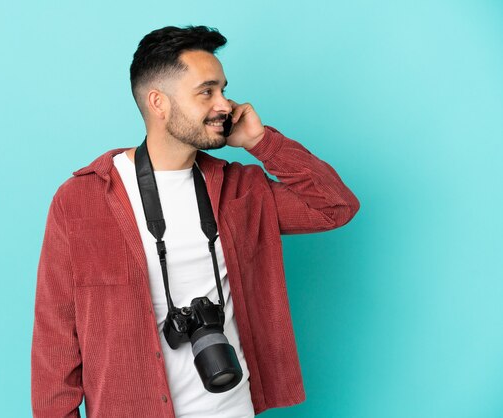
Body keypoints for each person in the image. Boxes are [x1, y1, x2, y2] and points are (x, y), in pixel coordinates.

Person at [31, 25, 360, 418]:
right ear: (159, 102)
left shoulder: (243, 191)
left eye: (223, 89)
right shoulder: (82, 200)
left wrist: (262, 143)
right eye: (207, 92)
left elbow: (335, 207)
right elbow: (55, 339)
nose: (225, 105)